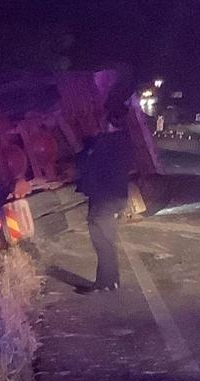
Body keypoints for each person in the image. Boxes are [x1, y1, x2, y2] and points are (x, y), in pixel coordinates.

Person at [75, 108, 134, 293]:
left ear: (109, 124)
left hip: (104, 198)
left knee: (102, 241)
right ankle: (110, 281)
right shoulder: (124, 142)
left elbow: (84, 162)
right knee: (106, 240)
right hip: (115, 195)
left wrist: (88, 146)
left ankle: (105, 282)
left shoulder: (103, 143)